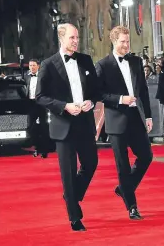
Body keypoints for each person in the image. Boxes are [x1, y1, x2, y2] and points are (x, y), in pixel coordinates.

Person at [35, 23, 99, 231]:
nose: (76, 41)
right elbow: (40, 96)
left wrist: (91, 102)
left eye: (77, 37)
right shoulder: (49, 64)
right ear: (61, 38)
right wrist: (64, 107)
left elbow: (95, 90)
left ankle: (72, 194)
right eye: (72, 38)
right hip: (63, 126)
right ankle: (74, 217)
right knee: (68, 173)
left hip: (85, 122)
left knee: (91, 163)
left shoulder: (86, 60)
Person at [96, 26, 153, 220]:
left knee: (146, 156)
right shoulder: (103, 65)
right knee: (123, 166)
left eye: (128, 41)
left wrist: (149, 116)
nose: (126, 45)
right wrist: (120, 99)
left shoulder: (136, 61)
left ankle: (124, 188)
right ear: (114, 41)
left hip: (136, 118)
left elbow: (143, 91)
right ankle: (132, 206)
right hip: (116, 121)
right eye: (122, 42)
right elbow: (98, 94)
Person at [25, 59, 50, 158]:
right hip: (31, 104)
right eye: (30, 65)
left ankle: (44, 150)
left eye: (34, 65)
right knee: (31, 127)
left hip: (41, 103)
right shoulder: (26, 76)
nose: (32, 67)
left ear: (38, 66)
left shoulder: (43, 76)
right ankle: (36, 148)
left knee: (44, 127)